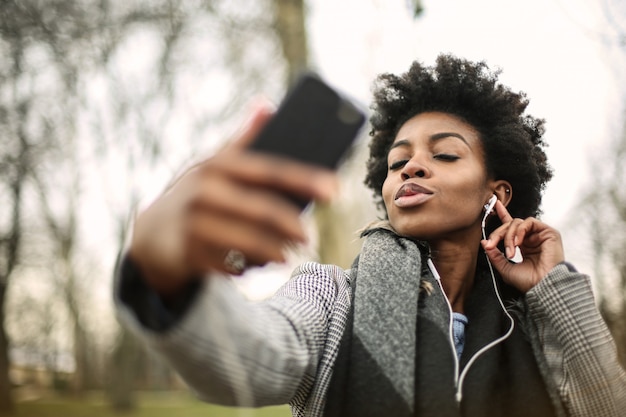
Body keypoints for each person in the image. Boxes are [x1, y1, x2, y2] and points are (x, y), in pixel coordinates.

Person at [114, 54, 626, 417]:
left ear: (497, 195)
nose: (412, 169)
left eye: (444, 155)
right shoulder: (331, 296)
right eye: (398, 161)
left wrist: (551, 286)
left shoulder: (536, 321)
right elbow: (250, 364)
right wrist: (163, 273)